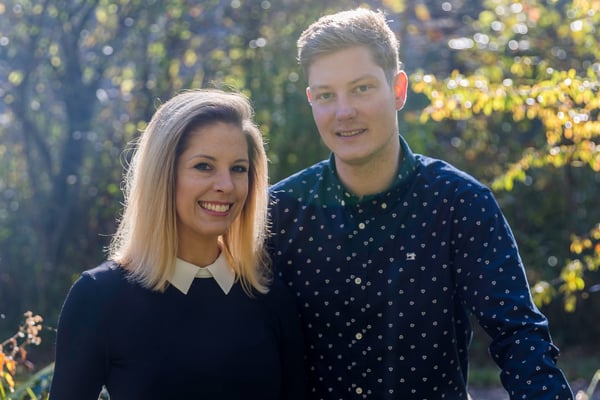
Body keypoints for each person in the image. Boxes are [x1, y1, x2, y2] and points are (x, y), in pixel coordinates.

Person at [267, 8, 574, 400]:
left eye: (361, 88)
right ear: (311, 100)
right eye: (327, 95)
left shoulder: (461, 204)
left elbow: (518, 334)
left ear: (398, 90)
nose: (344, 111)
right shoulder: (280, 211)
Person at [50, 89, 306, 399]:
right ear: (162, 174)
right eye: (204, 166)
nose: (225, 185)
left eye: (238, 168)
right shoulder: (99, 297)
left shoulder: (271, 297)